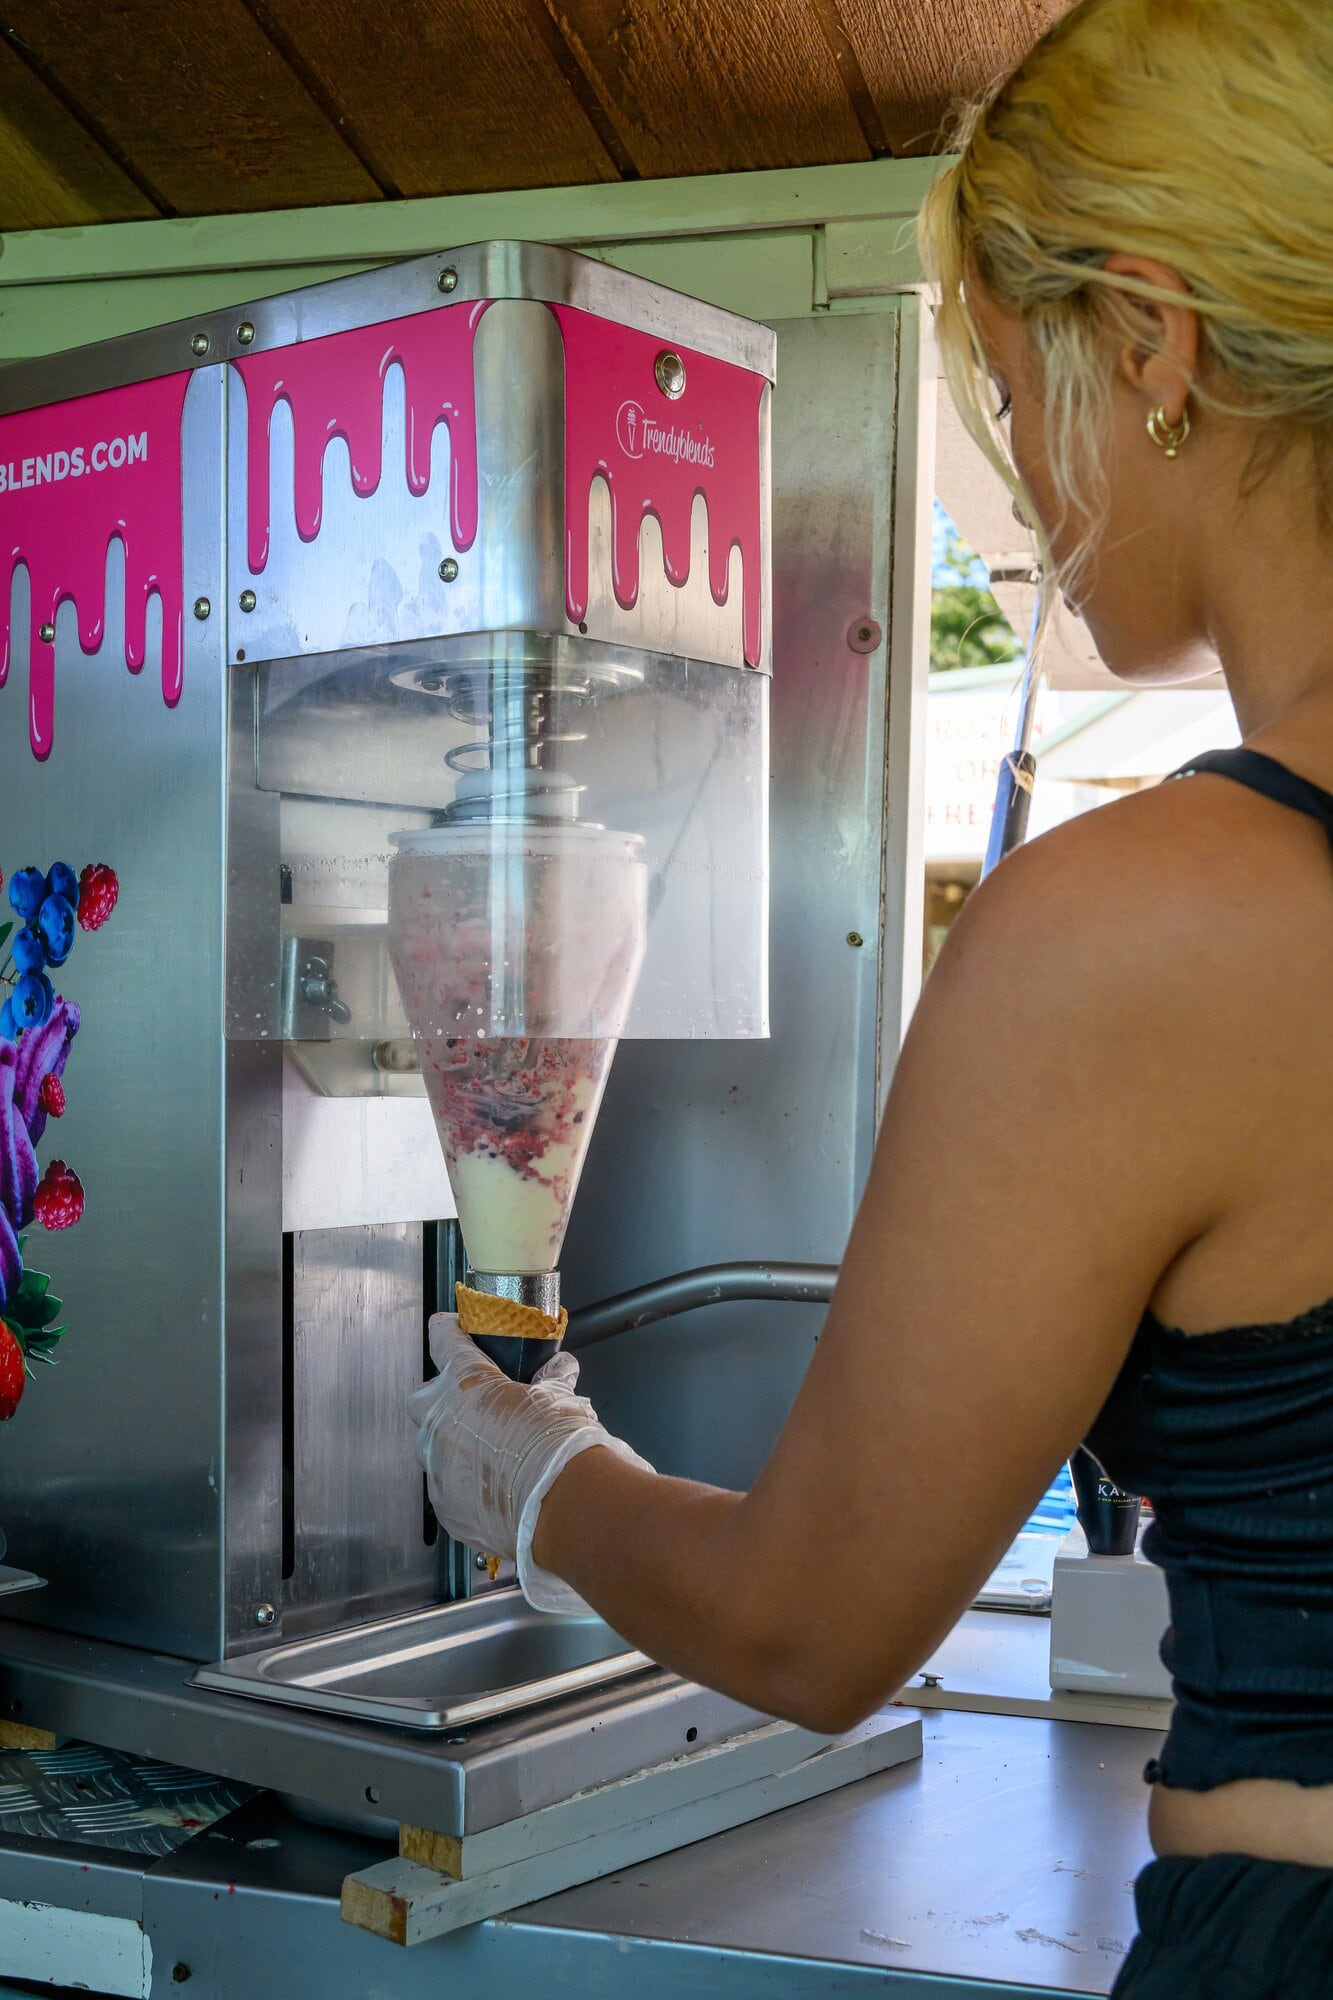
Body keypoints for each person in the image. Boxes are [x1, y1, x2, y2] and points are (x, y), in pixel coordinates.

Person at [410, 0, 1333, 1989]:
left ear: (1155, 344)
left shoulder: (1161, 917)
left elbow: (816, 1629)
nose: (1018, 505)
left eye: (1012, 397)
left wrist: (542, 1483)